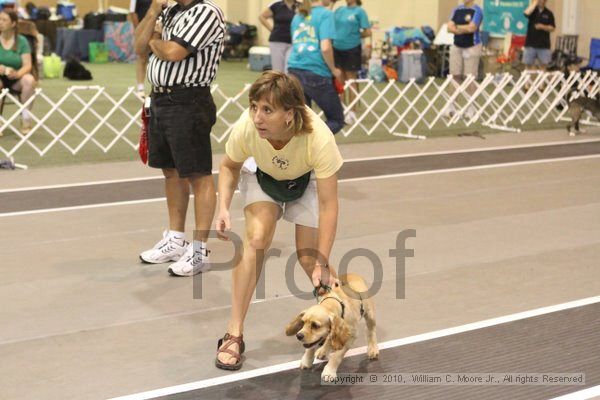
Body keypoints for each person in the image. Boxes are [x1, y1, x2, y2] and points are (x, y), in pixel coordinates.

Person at [214, 71, 342, 370]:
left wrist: (323, 261)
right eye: (254, 106)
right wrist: (223, 206)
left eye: (267, 110)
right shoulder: (247, 128)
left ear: (290, 114)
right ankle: (234, 333)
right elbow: (228, 166)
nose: (257, 117)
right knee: (256, 240)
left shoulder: (318, 138)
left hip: (305, 179)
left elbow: (328, 205)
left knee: (310, 258)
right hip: (263, 176)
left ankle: (338, 317)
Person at [134, 0, 225, 276]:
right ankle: (175, 238)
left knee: (198, 174)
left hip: (189, 100)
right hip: (160, 98)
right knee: (171, 172)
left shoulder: (207, 12)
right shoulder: (169, 11)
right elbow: (138, 47)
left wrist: (155, 40)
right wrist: (152, 15)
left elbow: (173, 52)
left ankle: (199, 251)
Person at [287, 0, 345, 134]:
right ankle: (312, 140)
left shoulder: (297, 16)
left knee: (301, 121)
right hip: (316, 71)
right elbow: (325, 48)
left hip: (294, 70)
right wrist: (334, 70)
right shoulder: (326, 14)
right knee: (336, 119)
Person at [333, 0, 371, 125]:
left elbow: (367, 31)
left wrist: (354, 35)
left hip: (352, 49)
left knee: (351, 79)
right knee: (339, 79)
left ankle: (352, 112)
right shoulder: (339, 10)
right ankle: (341, 110)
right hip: (336, 48)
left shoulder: (360, 11)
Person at [0, 10, 36, 134]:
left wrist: (17, 74)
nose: (0, 23)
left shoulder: (22, 41)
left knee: (29, 80)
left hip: (15, 77)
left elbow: (28, 65)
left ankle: (25, 118)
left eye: (4, 20)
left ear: (13, 23)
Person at [446, 0, 483, 118]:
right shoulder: (456, 10)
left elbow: (472, 28)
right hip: (457, 46)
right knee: (454, 76)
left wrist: (457, 27)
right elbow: (449, 27)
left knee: (469, 77)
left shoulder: (477, 10)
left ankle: (471, 108)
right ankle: (451, 107)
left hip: (472, 46)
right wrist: (462, 28)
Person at [258, 0, 299, 72]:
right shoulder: (276, 5)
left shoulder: (300, 5)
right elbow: (262, 17)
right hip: (277, 41)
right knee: (278, 70)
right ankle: (278, 83)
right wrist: (271, 29)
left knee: (289, 69)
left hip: (294, 42)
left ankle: (287, 83)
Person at [523, 0, 555, 71]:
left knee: (544, 65)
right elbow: (526, 13)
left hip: (544, 45)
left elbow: (552, 28)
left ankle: (542, 81)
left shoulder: (549, 13)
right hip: (530, 43)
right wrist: (534, 4)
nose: (541, 1)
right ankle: (527, 82)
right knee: (528, 65)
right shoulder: (532, 11)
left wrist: (542, 27)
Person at [130, 0, 153, 95]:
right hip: (143, 29)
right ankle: (140, 87)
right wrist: (138, 28)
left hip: (158, 27)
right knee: (142, 58)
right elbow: (132, 13)